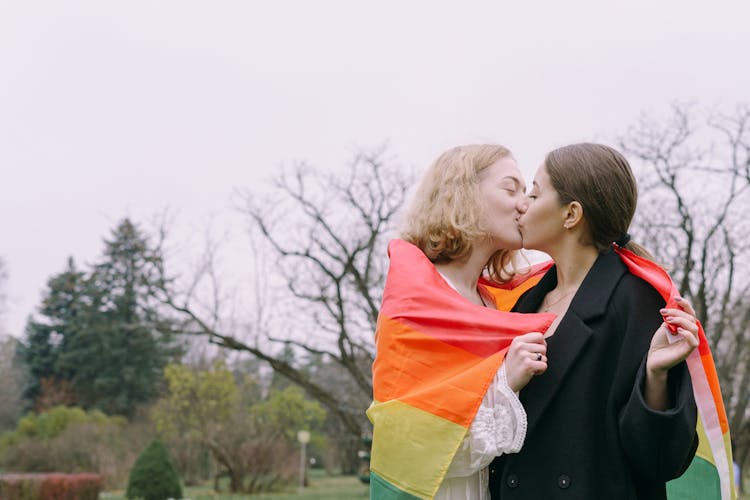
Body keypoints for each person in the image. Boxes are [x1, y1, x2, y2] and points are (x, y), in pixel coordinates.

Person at [488, 143, 700, 499]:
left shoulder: (637, 300)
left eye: (535, 193)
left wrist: (655, 377)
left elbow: (663, 461)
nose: (522, 204)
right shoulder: (524, 303)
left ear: (571, 214)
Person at [368, 144, 553, 500]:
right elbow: (408, 445)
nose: (524, 204)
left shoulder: (495, 303)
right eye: (510, 188)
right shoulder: (416, 300)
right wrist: (506, 383)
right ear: (463, 194)